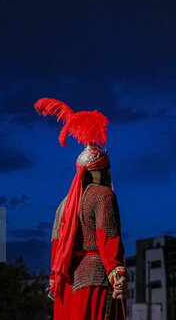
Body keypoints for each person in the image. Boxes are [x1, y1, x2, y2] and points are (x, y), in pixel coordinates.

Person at [35, 98, 127, 320]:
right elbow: (108, 238)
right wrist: (118, 276)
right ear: (100, 169)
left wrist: (54, 280)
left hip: (66, 283)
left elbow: (56, 248)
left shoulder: (63, 204)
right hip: (94, 278)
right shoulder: (104, 195)